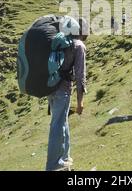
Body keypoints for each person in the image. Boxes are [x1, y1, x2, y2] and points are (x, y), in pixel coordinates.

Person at [46, 18, 88, 171]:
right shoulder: (78, 46)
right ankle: (53, 166)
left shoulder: (60, 42)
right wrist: (80, 101)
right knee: (57, 125)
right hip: (63, 90)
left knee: (62, 122)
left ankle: (65, 160)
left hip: (51, 88)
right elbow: (80, 76)